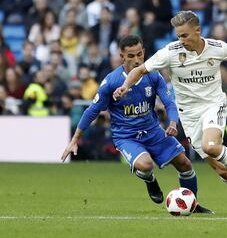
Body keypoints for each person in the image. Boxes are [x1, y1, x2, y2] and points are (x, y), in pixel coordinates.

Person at [113, 11, 227, 216]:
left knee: (211, 146)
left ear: (198, 30)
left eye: (185, 35)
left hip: (213, 105)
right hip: (189, 115)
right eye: (178, 36)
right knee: (221, 170)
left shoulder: (216, 48)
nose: (181, 40)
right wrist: (125, 86)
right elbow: (139, 70)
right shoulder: (170, 52)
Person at [61, 35, 211, 213]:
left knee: (185, 163)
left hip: (153, 131)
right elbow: (91, 111)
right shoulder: (111, 82)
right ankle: (150, 180)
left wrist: (172, 122)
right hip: (126, 136)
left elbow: (169, 103)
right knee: (146, 165)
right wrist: (74, 140)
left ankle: (192, 204)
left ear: (144, 52)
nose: (136, 60)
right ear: (122, 57)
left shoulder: (153, 76)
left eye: (139, 54)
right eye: (131, 56)